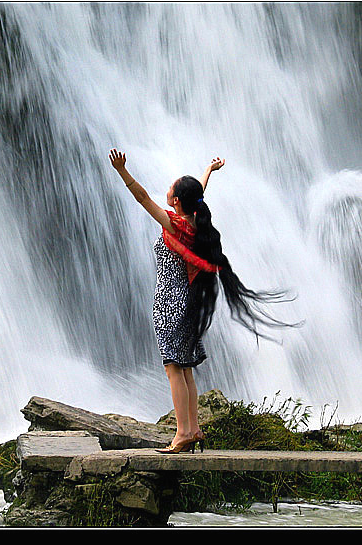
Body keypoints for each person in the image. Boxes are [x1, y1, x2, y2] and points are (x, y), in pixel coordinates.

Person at [108, 149, 300, 454]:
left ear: (175, 202)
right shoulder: (196, 224)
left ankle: (182, 433)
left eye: (171, 190)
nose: (167, 191)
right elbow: (197, 193)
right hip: (188, 302)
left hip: (170, 304)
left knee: (173, 368)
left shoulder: (175, 225)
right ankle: (193, 429)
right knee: (185, 369)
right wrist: (208, 170)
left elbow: (143, 198)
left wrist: (121, 171)